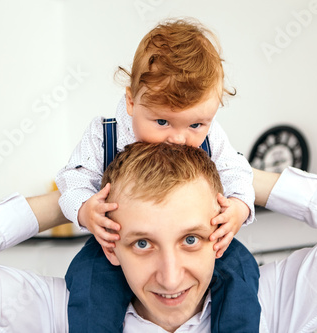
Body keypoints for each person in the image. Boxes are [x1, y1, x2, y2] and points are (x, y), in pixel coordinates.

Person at [0, 142, 317, 332]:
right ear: (110, 244)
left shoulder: (270, 305)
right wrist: (72, 202)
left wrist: (246, 186)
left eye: (191, 240)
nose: (171, 276)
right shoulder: (57, 317)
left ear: (220, 235)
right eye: (142, 243)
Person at [56, 18, 258, 331]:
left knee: (242, 269)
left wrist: (239, 207)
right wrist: (85, 209)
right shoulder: (104, 134)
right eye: (162, 122)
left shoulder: (212, 135)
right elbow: (73, 180)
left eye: (195, 125)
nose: (178, 138)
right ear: (132, 101)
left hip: (202, 243)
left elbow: (237, 171)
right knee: (87, 277)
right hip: (116, 243)